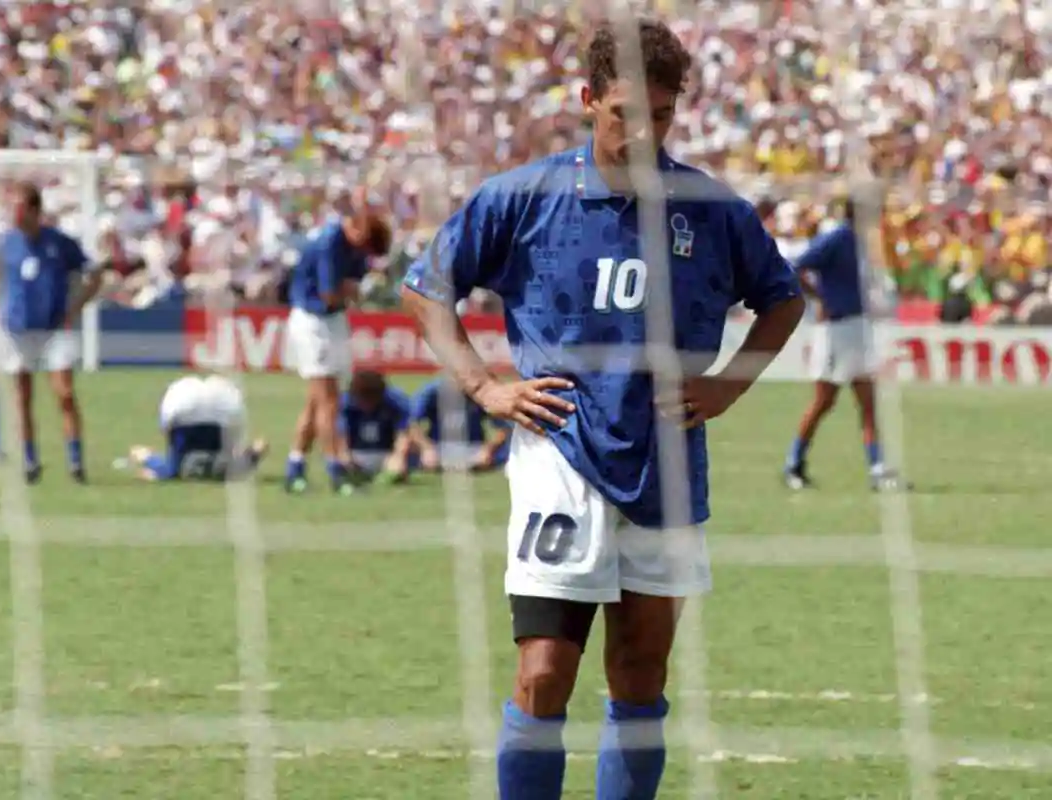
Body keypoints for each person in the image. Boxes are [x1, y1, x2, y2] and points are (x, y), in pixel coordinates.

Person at [400, 21, 804, 800]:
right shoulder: (524, 196)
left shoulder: (711, 210)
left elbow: (782, 302)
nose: (642, 132)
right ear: (587, 100)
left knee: (641, 674)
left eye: (660, 114)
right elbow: (426, 287)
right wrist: (485, 386)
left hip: (670, 464)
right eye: (624, 112)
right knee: (544, 672)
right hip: (562, 456)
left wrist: (728, 384)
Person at [0, 182, 102, 485]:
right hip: (17, 331)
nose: (14, 214)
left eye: (19, 207)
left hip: (54, 329)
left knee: (64, 393)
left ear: (34, 210)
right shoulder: (3, 244)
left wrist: (76, 306)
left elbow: (94, 273)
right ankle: (30, 460)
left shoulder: (59, 243)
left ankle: (76, 462)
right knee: (22, 399)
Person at [783, 198, 907, 492]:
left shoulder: (866, 241)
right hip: (835, 330)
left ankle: (877, 469)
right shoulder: (837, 239)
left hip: (858, 326)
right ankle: (794, 462)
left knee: (867, 401)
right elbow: (795, 267)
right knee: (823, 401)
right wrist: (819, 298)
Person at [282, 192, 391, 494]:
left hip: (334, 320)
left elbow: (349, 290)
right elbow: (332, 293)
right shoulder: (331, 241)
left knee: (317, 401)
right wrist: (351, 290)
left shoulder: (357, 246)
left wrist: (350, 289)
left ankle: (295, 467)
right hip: (313, 321)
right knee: (329, 401)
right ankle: (336, 470)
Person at [127, 374, 267, 481]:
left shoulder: (228, 468)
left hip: (208, 400)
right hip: (217, 400)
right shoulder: (227, 468)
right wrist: (144, 458)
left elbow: (259, 446)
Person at [409, 377, 512, 473]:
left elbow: (504, 427)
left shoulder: (479, 394)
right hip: (438, 446)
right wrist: (426, 448)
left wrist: (487, 450)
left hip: (473, 447)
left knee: (509, 451)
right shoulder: (432, 392)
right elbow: (411, 423)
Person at [335, 369, 413, 487]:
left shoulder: (396, 401)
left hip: (386, 452)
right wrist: (346, 457)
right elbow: (340, 437)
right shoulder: (344, 404)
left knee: (399, 468)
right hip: (356, 453)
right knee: (337, 466)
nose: (367, 405)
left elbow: (403, 433)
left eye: (370, 400)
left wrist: (398, 456)